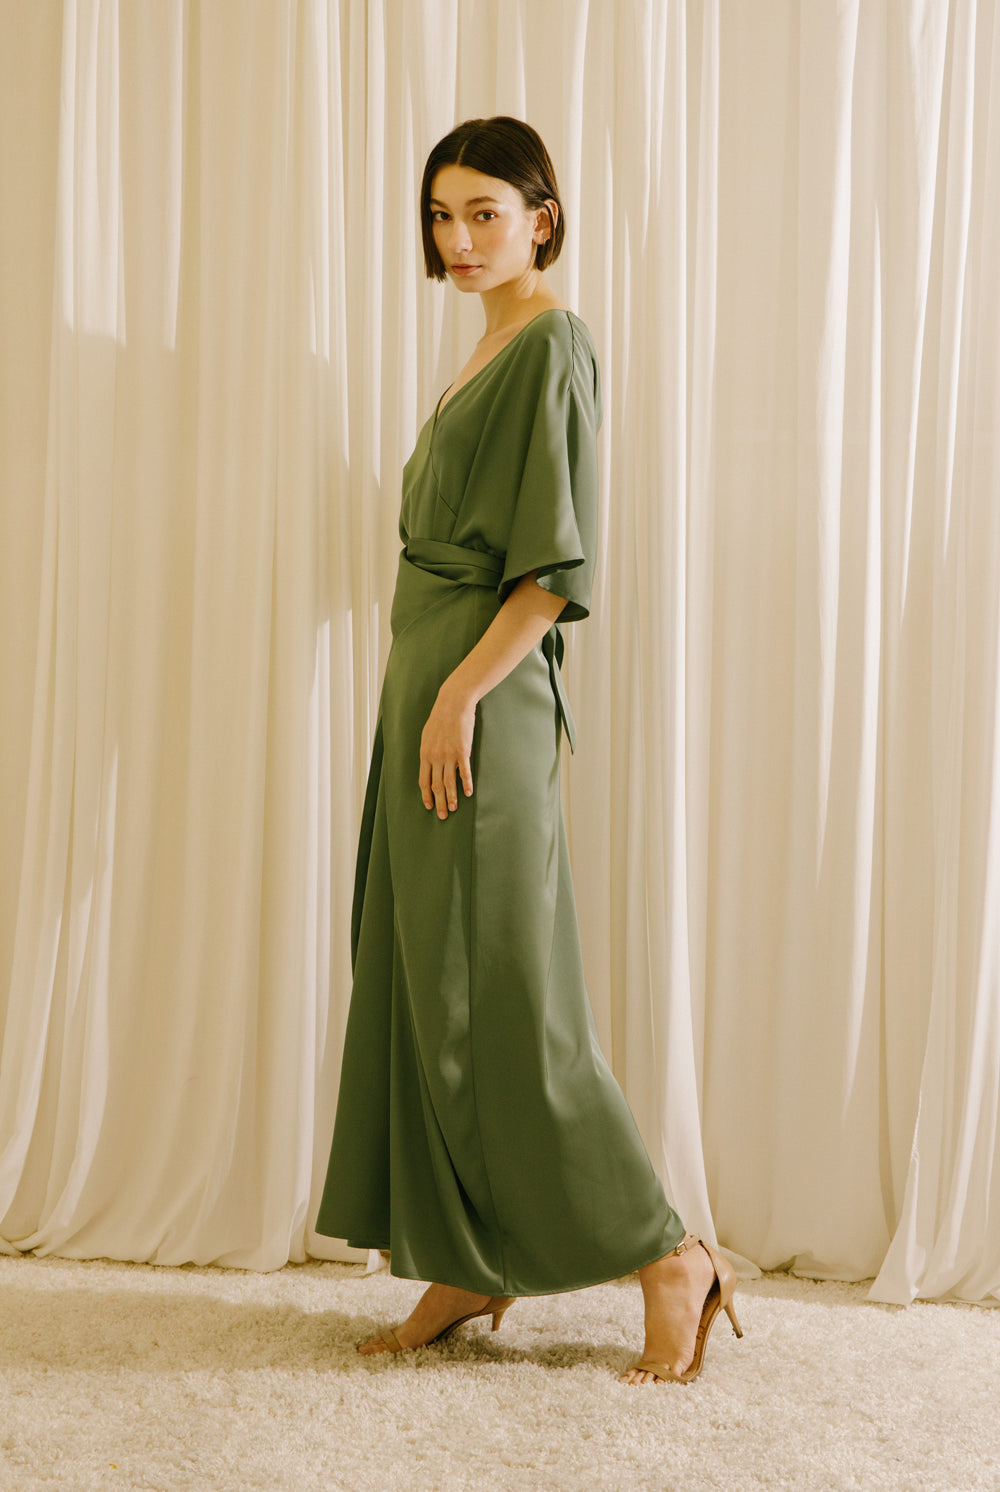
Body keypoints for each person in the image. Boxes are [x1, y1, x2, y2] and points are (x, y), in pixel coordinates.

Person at [315, 116, 742, 1386]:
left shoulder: (552, 341)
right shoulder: (488, 339)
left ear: (541, 216)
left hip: (478, 703)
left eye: (485, 212)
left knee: (507, 1001)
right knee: (418, 980)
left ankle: (668, 1254)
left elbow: (552, 573)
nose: (457, 238)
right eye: (441, 214)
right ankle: (466, 1254)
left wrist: (456, 698)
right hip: (431, 689)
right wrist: (424, 694)